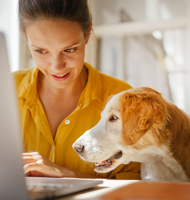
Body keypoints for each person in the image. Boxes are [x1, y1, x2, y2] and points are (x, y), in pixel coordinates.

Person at [13, 0, 141, 179]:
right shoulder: (5, 89)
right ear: (26, 39)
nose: (57, 66)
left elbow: (135, 189)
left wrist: (67, 175)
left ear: (87, 34)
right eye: (41, 51)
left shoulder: (121, 99)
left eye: (70, 49)